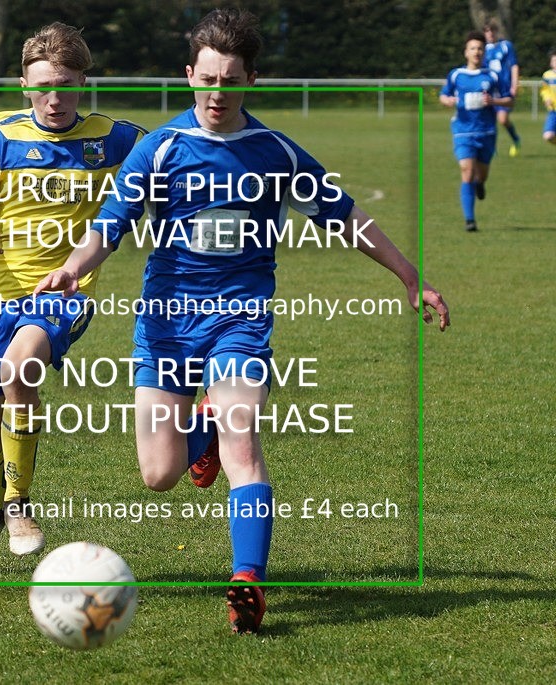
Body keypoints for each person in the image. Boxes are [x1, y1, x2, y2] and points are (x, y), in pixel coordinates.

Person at [36, 9, 450, 633]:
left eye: (230, 80)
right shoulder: (161, 148)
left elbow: (344, 215)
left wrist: (409, 275)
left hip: (241, 320)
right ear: (189, 76)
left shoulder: (273, 151)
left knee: (243, 446)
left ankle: (247, 581)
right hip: (167, 324)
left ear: (249, 79)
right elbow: (108, 228)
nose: (216, 93)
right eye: (206, 79)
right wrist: (71, 269)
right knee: (159, 474)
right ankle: (195, 430)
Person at [0, 23, 145, 564]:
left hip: (64, 292)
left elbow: (171, 158)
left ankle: (20, 503)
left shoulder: (115, 139)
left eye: (68, 84)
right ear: (24, 86)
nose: (55, 99)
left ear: (84, 82)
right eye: (44, 86)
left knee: (19, 367)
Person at [440, 30, 512, 232]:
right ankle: (470, 220)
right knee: (467, 171)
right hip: (463, 131)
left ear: (484, 52)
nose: (477, 52)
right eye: (473, 48)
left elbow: (509, 99)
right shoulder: (456, 75)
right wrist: (448, 101)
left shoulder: (492, 76)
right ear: (466, 52)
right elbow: (443, 96)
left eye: (480, 48)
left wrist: (494, 101)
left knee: (482, 174)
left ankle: (480, 183)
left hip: (487, 132)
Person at [483, 20, 522, 156]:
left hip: (504, 89)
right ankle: (492, 149)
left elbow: (514, 65)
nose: (490, 33)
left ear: (496, 31)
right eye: (487, 31)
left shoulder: (506, 46)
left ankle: (516, 139)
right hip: (490, 90)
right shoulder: (483, 50)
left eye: (492, 30)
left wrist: (514, 83)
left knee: (503, 119)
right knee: (490, 120)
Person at [541, 49, 556, 145]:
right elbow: (544, 90)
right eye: (554, 61)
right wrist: (546, 99)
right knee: (548, 136)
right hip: (553, 110)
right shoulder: (547, 75)